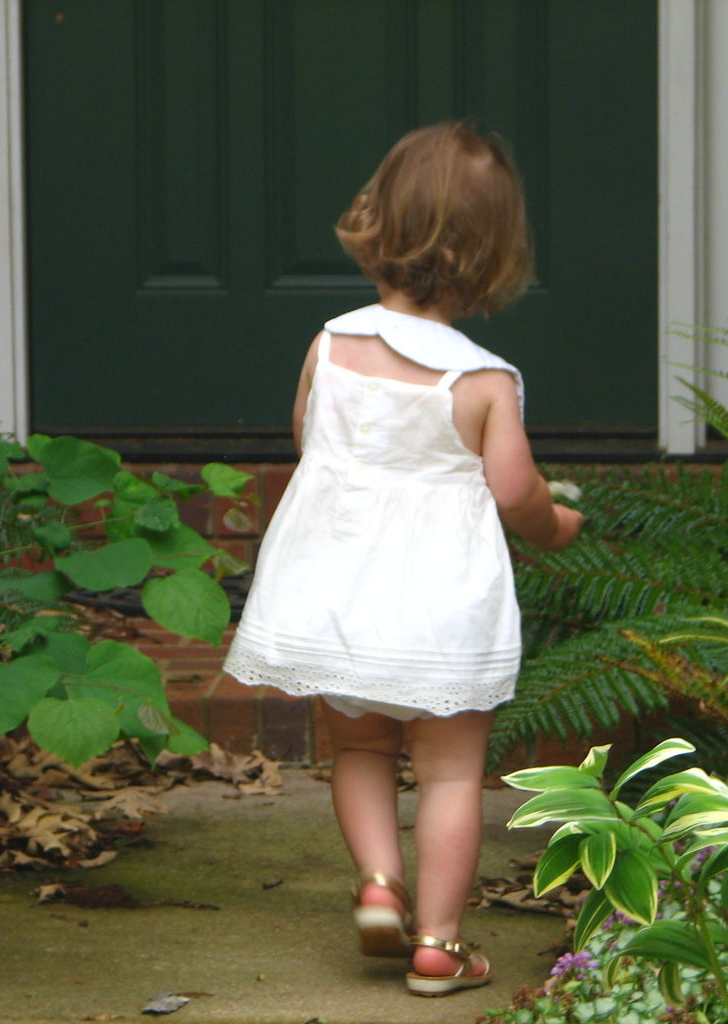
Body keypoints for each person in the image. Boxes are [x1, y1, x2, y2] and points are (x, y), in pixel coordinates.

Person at [222, 121, 583, 997]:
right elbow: (512, 494)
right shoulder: (482, 381)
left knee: (360, 748)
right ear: (496, 256)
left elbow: (310, 438)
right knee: (452, 767)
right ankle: (438, 941)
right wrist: (558, 525)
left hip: (340, 588)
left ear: (374, 222)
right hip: (437, 602)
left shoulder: (331, 344)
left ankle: (380, 883)